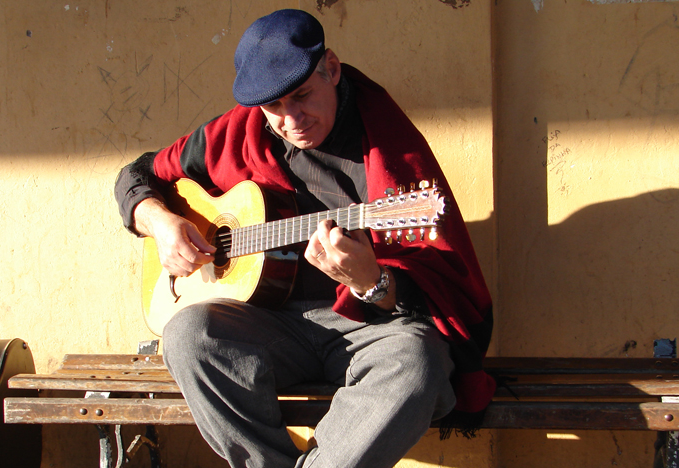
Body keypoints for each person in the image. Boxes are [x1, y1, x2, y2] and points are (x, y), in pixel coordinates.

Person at [114, 9, 494, 468]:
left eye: (302, 95)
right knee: (188, 335)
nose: (291, 118)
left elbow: (435, 287)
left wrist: (371, 281)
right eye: (274, 107)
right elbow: (137, 175)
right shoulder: (237, 134)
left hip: (369, 330)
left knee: (418, 365)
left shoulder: (390, 148)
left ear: (331, 69)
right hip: (273, 326)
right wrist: (158, 220)